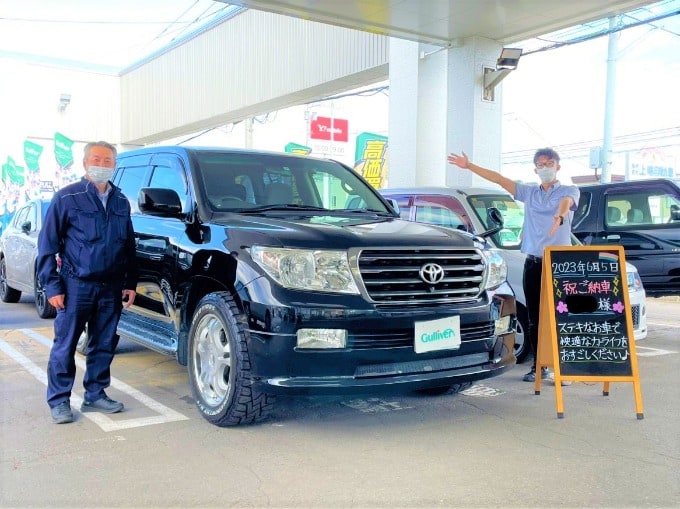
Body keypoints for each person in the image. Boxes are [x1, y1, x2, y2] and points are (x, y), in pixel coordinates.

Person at [448, 148, 579, 383]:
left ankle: (564, 368)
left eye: (549, 163)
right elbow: (499, 179)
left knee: (561, 315)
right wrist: (469, 166)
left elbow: (567, 203)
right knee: (535, 317)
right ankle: (540, 366)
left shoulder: (569, 190)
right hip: (534, 261)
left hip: (560, 263)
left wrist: (559, 218)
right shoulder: (529, 192)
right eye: (540, 164)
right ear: (535, 169)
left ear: (557, 167)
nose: (545, 167)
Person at [37, 141, 138, 424]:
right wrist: (52, 286)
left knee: (103, 343)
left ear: (114, 165)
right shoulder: (67, 198)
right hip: (75, 286)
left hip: (111, 286)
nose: (102, 165)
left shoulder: (120, 201)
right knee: (65, 345)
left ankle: (95, 394)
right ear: (84, 163)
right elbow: (47, 245)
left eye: (108, 161)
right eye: (97, 159)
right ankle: (59, 401)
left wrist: (130, 282)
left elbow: (129, 245)